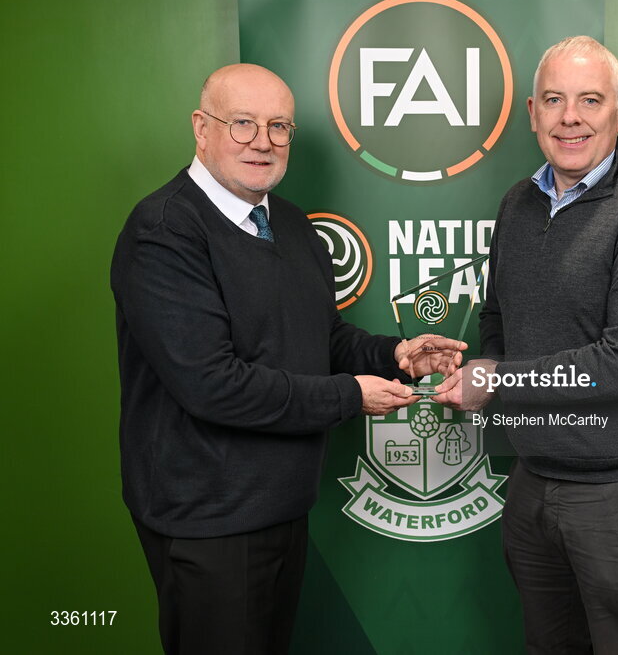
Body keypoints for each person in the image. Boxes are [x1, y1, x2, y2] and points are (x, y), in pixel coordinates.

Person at [110, 63, 466, 655]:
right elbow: (212, 385)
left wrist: (396, 355)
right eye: (242, 123)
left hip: (282, 504)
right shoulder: (164, 232)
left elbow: (320, 340)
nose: (263, 142)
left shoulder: (294, 225)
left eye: (279, 127)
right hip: (207, 519)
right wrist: (352, 396)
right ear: (202, 129)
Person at [434, 37, 618, 654]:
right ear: (532, 111)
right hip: (534, 484)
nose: (570, 117)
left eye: (590, 100)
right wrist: (487, 366)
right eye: (554, 100)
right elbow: (497, 320)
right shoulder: (518, 204)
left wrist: (498, 382)